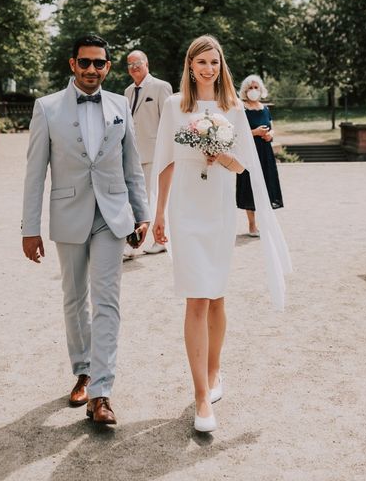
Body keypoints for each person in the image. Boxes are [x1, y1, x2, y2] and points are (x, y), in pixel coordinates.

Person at [152, 35, 291, 434]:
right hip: (185, 210)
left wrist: (220, 153)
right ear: (190, 65)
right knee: (195, 298)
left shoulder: (233, 108)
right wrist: (157, 213)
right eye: (201, 62)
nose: (208, 68)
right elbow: (164, 161)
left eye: (214, 62)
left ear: (220, 65)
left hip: (217, 210)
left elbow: (244, 166)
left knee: (216, 297)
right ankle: (200, 396)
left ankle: (214, 372)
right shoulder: (173, 106)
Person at [21, 34, 150, 427]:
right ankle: (83, 371)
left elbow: (133, 165)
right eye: (85, 62)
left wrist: (141, 212)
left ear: (108, 67)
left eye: (99, 63)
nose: (92, 69)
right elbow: (34, 172)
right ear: (72, 64)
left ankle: (102, 392)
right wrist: (30, 228)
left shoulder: (119, 106)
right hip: (69, 214)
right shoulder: (47, 108)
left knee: (107, 301)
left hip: (112, 216)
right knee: (75, 299)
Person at [124, 49, 172, 257]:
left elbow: (169, 122)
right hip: (133, 154)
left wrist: (167, 152)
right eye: (130, 64)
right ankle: (134, 243)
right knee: (135, 199)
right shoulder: (127, 92)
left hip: (155, 153)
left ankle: (160, 239)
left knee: (155, 197)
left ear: (147, 64)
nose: (134, 67)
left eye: (138, 63)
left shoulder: (161, 87)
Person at [237, 74, 284, 236]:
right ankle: (252, 225)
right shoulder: (241, 109)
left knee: (267, 184)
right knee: (251, 186)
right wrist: (255, 132)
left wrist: (269, 134)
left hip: (265, 152)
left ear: (261, 89)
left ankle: (266, 223)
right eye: (250, 88)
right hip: (250, 152)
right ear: (245, 90)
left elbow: (272, 128)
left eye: (256, 87)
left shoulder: (265, 109)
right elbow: (237, 133)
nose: (253, 90)